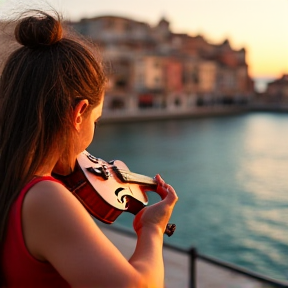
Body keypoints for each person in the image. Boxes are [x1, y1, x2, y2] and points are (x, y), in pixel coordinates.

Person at [0, 9, 178, 288]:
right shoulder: (44, 197)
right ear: (79, 113)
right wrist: (152, 229)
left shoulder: (12, 178)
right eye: (96, 120)